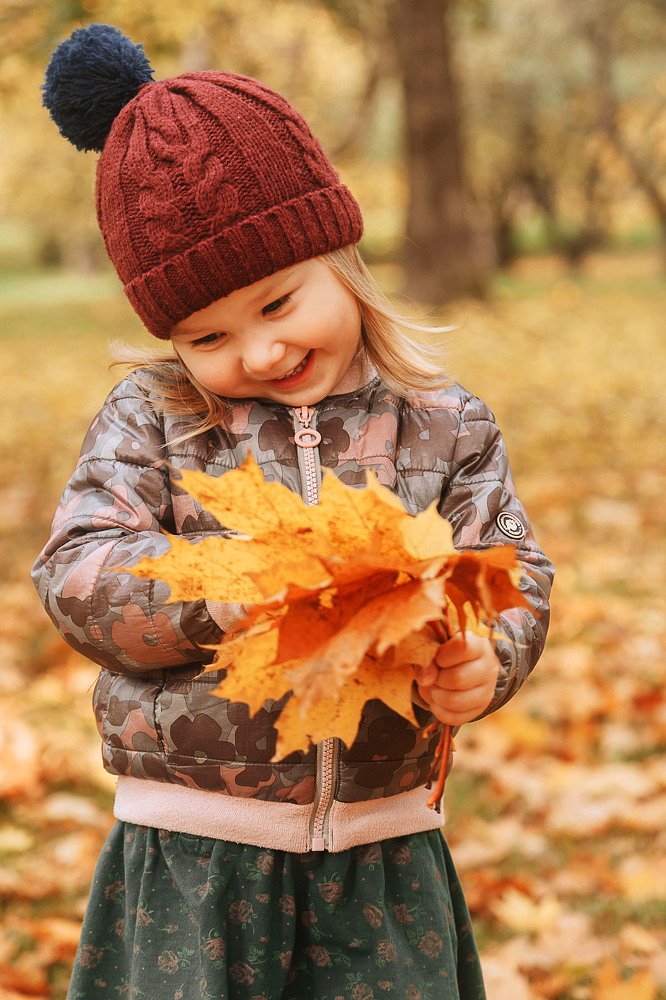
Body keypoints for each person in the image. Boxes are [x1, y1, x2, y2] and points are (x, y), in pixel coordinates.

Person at [33, 23, 554, 1000]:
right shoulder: (154, 419)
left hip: (384, 846)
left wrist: (486, 658)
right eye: (208, 337)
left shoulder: (443, 424)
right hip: (193, 846)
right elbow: (76, 572)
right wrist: (216, 594)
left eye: (278, 304)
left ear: (338, 256)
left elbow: (509, 567)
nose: (261, 352)